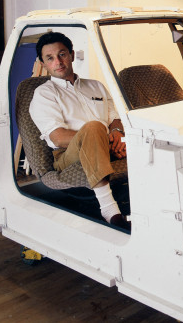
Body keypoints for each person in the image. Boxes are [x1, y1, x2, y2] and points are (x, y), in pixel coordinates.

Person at [29, 32, 130, 231]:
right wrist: (102, 140)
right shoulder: (44, 94)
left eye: (62, 54)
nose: (58, 62)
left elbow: (115, 118)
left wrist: (117, 133)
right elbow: (58, 138)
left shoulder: (96, 86)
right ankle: (110, 211)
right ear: (42, 63)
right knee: (93, 127)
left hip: (104, 144)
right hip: (68, 156)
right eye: (50, 58)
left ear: (72, 55)